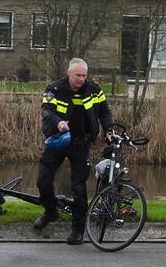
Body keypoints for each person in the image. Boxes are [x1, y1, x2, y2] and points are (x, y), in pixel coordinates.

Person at [35, 57, 113, 245]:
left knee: (78, 188)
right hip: (59, 140)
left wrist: (109, 130)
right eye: (77, 75)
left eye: (84, 76)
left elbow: (104, 112)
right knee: (43, 180)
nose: (81, 79)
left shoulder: (94, 89)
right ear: (69, 73)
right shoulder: (55, 89)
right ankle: (51, 211)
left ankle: (77, 230)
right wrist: (58, 122)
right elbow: (46, 110)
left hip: (81, 143)